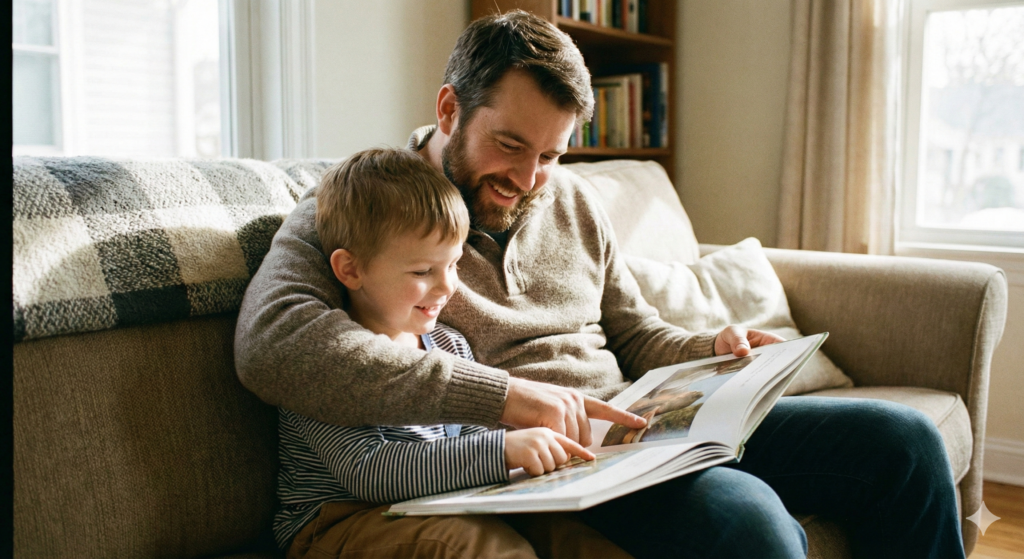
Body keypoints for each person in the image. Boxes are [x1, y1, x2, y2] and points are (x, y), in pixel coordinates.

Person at [237, 10, 966, 558]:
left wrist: (712, 347)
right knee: (751, 524)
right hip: (552, 464)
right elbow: (273, 347)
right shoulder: (362, 212)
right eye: (510, 145)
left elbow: (635, 332)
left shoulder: (574, 200)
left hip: (640, 423)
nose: (527, 181)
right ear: (450, 108)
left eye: (550, 155)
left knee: (899, 441)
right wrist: (507, 399)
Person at [274, 148, 598, 557]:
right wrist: (498, 453)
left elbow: (470, 437)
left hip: (443, 502)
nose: (448, 288)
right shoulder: (324, 361)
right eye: (423, 271)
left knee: (572, 537)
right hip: (340, 521)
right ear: (351, 270)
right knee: (472, 545)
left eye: (454, 264)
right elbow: (369, 472)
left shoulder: (448, 344)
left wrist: (526, 450)